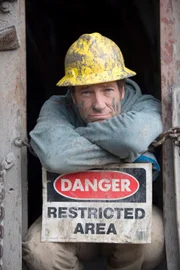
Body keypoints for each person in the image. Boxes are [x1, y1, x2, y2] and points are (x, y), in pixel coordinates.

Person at [23, 32, 164, 270]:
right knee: (39, 250)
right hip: (69, 220)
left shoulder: (144, 105)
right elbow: (55, 156)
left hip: (129, 217)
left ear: (121, 89)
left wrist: (76, 139)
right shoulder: (57, 107)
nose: (99, 104)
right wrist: (123, 150)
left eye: (107, 90)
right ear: (73, 96)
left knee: (153, 239)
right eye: (87, 92)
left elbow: (130, 138)